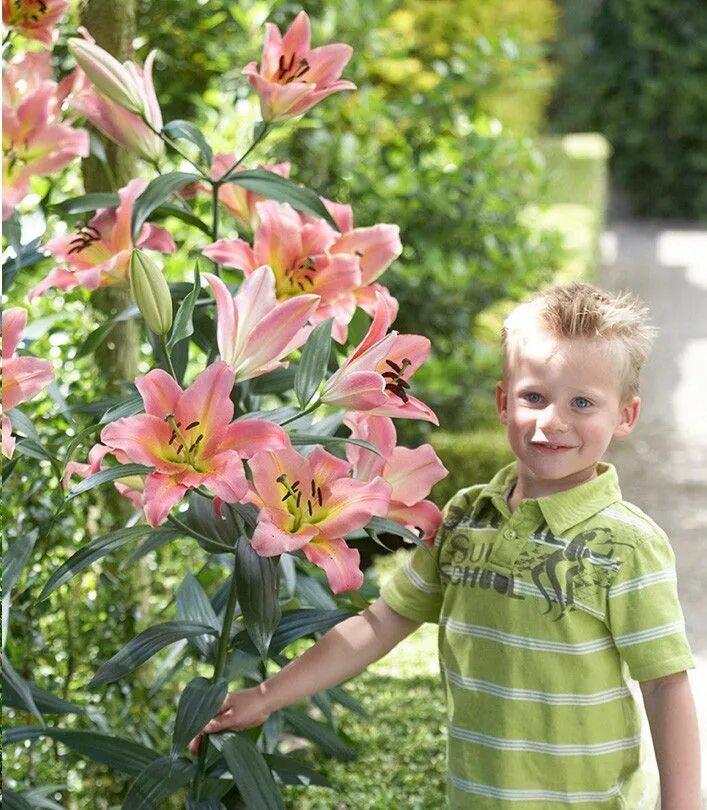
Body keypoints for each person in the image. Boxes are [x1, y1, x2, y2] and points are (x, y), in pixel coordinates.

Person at [189, 282, 701, 809]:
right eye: (534, 397)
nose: (553, 420)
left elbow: (665, 686)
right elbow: (379, 623)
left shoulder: (628, 545)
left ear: (625, 416)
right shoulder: (463, 519)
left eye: (583, 403)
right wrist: (268, 696)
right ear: (504, 403)